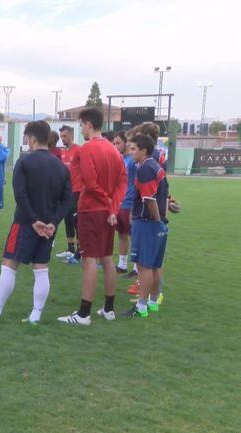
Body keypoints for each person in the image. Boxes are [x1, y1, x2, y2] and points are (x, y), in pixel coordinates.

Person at [0, 121, 72, 325]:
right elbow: (67, 200)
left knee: (9, 265)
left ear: (33, 138)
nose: (27, 141)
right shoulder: (61, 167)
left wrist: (34, 220)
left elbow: (20, 194)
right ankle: (35, 316)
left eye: (27, 138)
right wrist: (53, 222)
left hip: (25, 223)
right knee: (41, 268)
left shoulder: (24, 161)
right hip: (49, 228)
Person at [58, 108, 127, 325]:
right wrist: (113, 208)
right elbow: (122, 182)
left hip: (91, 210)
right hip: (107, 213)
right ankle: (108, 309)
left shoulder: (88, 149)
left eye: (81, 125)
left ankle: (84, 314)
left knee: (89, 259)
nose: (81, 129)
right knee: (106, 257)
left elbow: (89, 182)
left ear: (88, 124)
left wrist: (107, 202)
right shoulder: (114, 150)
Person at [121, 134, 169, 318]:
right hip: (157, 224)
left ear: (144, 150)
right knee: (155, 265)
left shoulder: (145, 169)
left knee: (144, 266)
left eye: (134, 149)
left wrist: (157, 220)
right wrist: (162, 219)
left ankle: (141, 308)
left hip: (147, 223)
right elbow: (163, 195)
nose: (131, 152)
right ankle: (153, 302)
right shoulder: (157, 167)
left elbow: (149, 199)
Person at [55, 125, 81, 260]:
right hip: (66, 191)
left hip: (77, 190)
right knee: (67, 219)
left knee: (77, 220)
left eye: (64, 136)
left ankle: (79, 250)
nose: (62, 139)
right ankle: (70, 249)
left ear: (71, 135)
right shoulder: (63, 152)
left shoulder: (79, 150)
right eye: (61, 137)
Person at [114, 131, 135, 274]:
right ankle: (122, 265)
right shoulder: (120, 159)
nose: (115, 146)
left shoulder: (133, 161)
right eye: (114, 143)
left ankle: (136, 267)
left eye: (118, 143)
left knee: (134, 236)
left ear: (126, 142)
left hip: (129, 204)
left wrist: (134, 205)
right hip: (119, 204)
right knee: (121, 234)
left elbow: (136, 184)